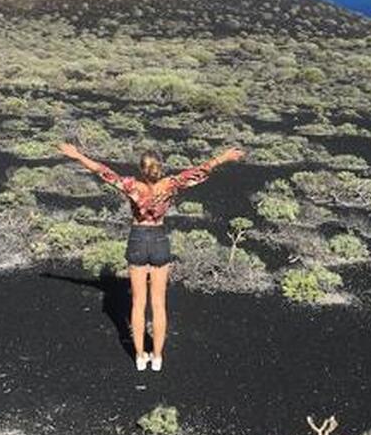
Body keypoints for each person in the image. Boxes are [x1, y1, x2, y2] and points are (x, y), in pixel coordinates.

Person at [57, 141, 246, 371]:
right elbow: (199, 171)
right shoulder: (171, 184)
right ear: (160, 167)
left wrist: (77, 155)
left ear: (141, 169)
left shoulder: (131, 185)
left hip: (137, 240)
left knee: (137, 305)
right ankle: (157, 357)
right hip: (159, 241)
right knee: (158, 304)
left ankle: (139, 356)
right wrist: (223, 157)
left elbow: (102, 171)